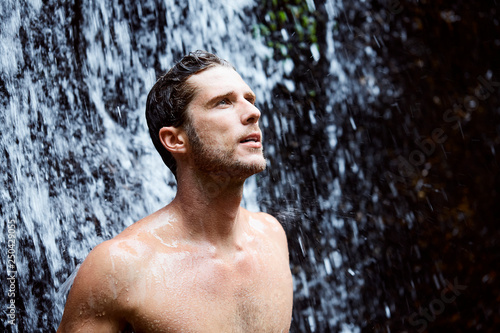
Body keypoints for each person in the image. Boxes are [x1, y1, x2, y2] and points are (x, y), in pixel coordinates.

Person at [57, 50, 293, 332]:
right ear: (175, 140)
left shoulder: (272, 236)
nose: (253, 112)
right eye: (223, 102)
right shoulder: (121, 268)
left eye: (249, 99)